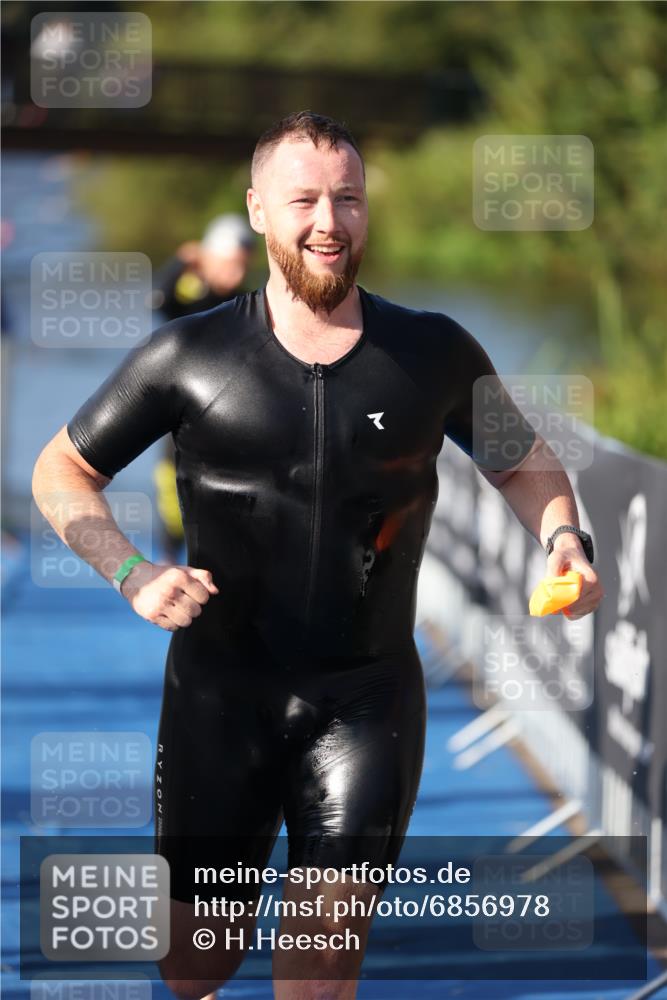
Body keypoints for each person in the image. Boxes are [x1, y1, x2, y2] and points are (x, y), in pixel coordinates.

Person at [32, 111, 604, 1000]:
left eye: (348, 198)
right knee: (193, 966)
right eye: (303, 199)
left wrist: (565, 538)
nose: (328, 221)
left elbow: (522, 460)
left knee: (320, 965)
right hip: (219, 696)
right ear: (259, 209)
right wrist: (131, 571)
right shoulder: (190, 353)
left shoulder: (432, 351)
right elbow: (61, 468)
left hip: (365, 697)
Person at [151, 214, 255, 562]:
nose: (236, 275)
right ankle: (167, 557)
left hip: (225, 408)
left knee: (218, 490)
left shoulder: (246, 303)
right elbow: (159, 302)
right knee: (171, 488)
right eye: (229, 266)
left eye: (242, 267)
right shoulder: (191, 294)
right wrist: (182, 261)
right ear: (211, 260)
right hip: (179, 408)